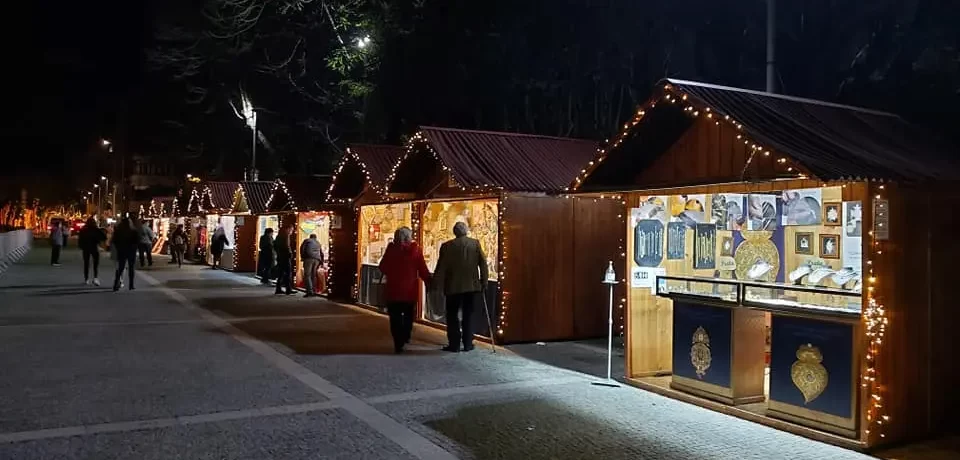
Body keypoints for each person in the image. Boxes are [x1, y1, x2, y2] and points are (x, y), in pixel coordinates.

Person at [433, 221, 488, 352]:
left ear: (454, 232)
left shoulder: (447, 246)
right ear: (466, 231)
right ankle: (468, 343)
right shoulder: (475, 244)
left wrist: (436, 283)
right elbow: (483, 263)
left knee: (452, 316)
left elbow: (442, 267)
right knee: (468, 314)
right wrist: (484, 281)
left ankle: (454, 344)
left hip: (453, 287)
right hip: (471, 286)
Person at [379, 227, 431, 353]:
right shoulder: (416, 250)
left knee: (395, 317)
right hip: (410, 290)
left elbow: (382, 267)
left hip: (393, 290)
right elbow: (422, 269)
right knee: (408, 315)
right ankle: (406, 335)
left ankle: (398, 341)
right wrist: (429, 281)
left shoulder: (391, 250)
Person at [111, 217, 139, 291]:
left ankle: (116, 283)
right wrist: (134, 249)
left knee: (120, 268)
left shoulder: (118, 231)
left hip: (122, 251)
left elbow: (114, 241)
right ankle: (131, 284)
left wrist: (118, 248)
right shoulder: (133, 231)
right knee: (131, 268)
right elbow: (137, 241)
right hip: (131, 251)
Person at [78, 217, 106, 286]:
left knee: (86, 264)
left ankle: (86, 279)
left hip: (86, 248)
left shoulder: (83, 230)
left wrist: (82, 246)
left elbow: (80, 240)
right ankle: (95, 278)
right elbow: (104, 237)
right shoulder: (96, 230)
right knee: (95, 264)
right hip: (94, 248)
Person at [273, 225, 294, 295]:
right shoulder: (286, 236)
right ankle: (288, 289)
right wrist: (290, 253)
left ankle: (278, 288)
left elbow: (274, 246)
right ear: (288, 229)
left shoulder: (278, 236)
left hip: (280, 257)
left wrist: (278, 253)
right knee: (288, 273)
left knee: (281, 273)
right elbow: (287, 246)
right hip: (285, 257)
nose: (292, 231)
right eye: (291, 229)